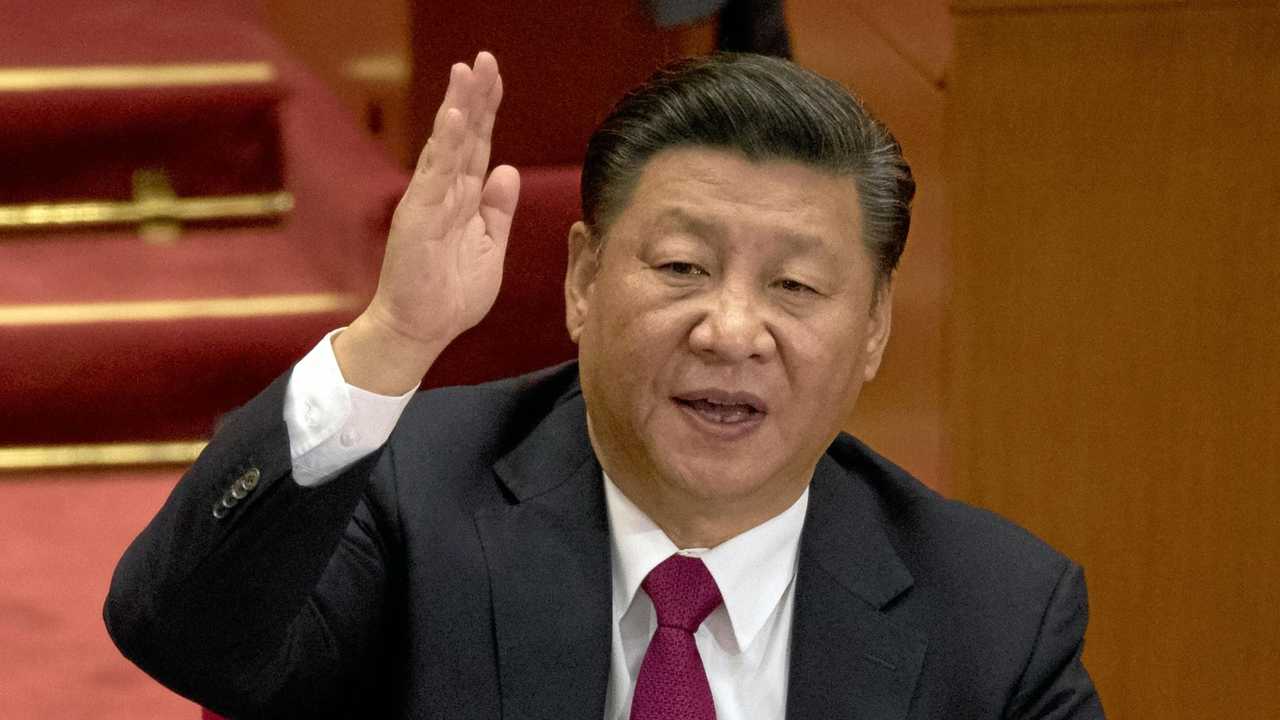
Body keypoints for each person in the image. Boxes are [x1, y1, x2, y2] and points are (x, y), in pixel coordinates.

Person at [105, 52, 1104, 719]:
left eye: (794, 286)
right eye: (679, 268)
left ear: (875, 328)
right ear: (582, 281)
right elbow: (183, 637)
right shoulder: (410, 498)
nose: (730, 330)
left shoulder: (996, 614)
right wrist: (392, 338)